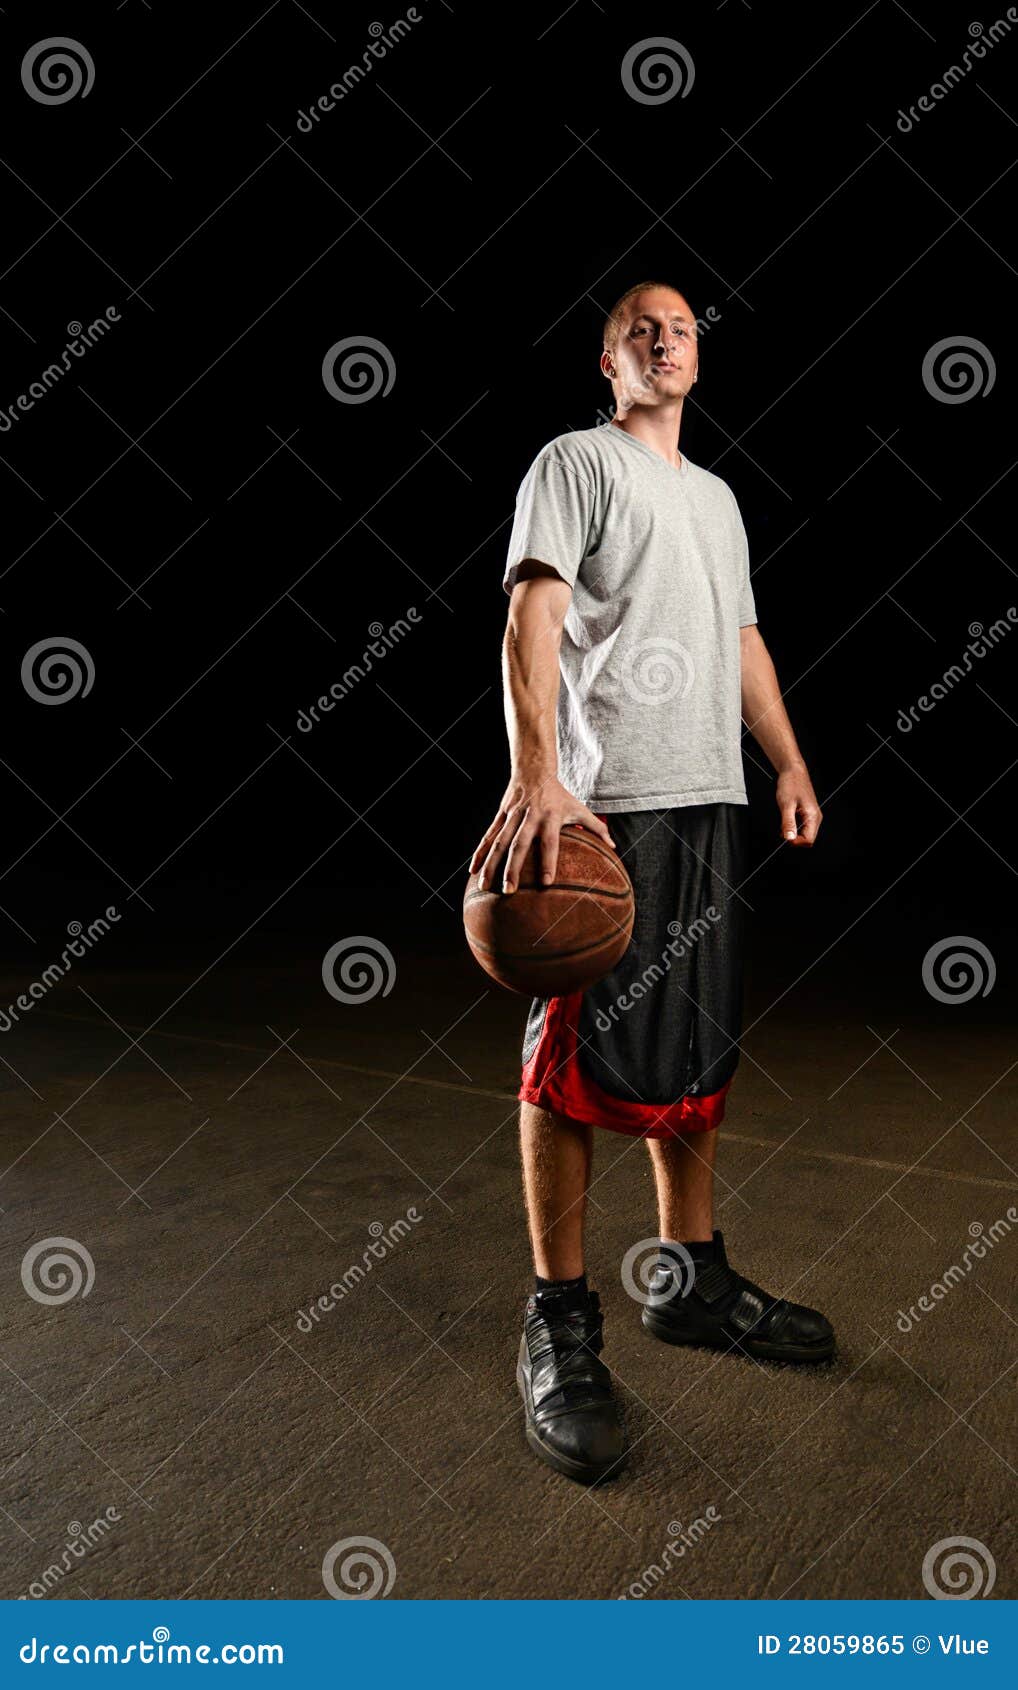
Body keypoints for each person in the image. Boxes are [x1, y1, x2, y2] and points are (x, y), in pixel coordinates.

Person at [469, 280, 835, 1487]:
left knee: (693, 1047)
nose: (663, 337)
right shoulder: (575, 463)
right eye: (640, 326)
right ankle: (560, 1320)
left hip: (709, 799)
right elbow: (530, 612)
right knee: (572, 1068)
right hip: (603, 812)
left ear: (697, 355)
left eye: (680, 326)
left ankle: (688, 1276)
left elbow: (739, 642)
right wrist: (537, 779)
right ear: (607, 360)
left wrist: (782, 758)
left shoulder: (717, 500)